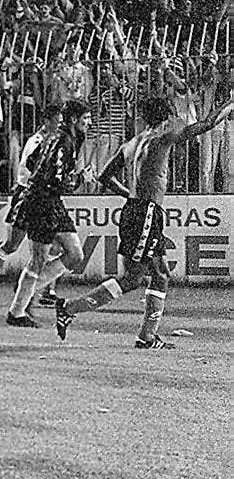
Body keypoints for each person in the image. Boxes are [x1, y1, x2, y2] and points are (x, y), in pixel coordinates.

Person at [56, 93, 234, 348]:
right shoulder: (164, 139)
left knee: (161, 273)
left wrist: (129, 194)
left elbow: (105, 176)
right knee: (133, 278)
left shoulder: (133, 143)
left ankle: (147, 336)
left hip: (135, 209)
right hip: (146, 213)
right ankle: (70, 308)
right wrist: (230, 104)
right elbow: (207, 124)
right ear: (168, 116)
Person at [4, 100, 90, 328]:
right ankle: (17, 311)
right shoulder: (63, 141)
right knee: (39, 259)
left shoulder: (57, 137)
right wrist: (81, 179)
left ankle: (28, 289)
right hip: (41, 202)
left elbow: (34, 162)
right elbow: (59, 181)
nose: (89, 123)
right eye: (86, 119)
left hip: (50, 201)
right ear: (73, 119)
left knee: (75, 255)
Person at [0, 104, 62, 306]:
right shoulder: (37, 142)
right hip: (27, 196)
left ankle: (46, 288)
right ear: (47, 121)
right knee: (12, 245)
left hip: (38, 196)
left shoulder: (51, 140)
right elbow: (31, 172)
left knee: (55, 244)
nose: (60, 125)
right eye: (58, 121)